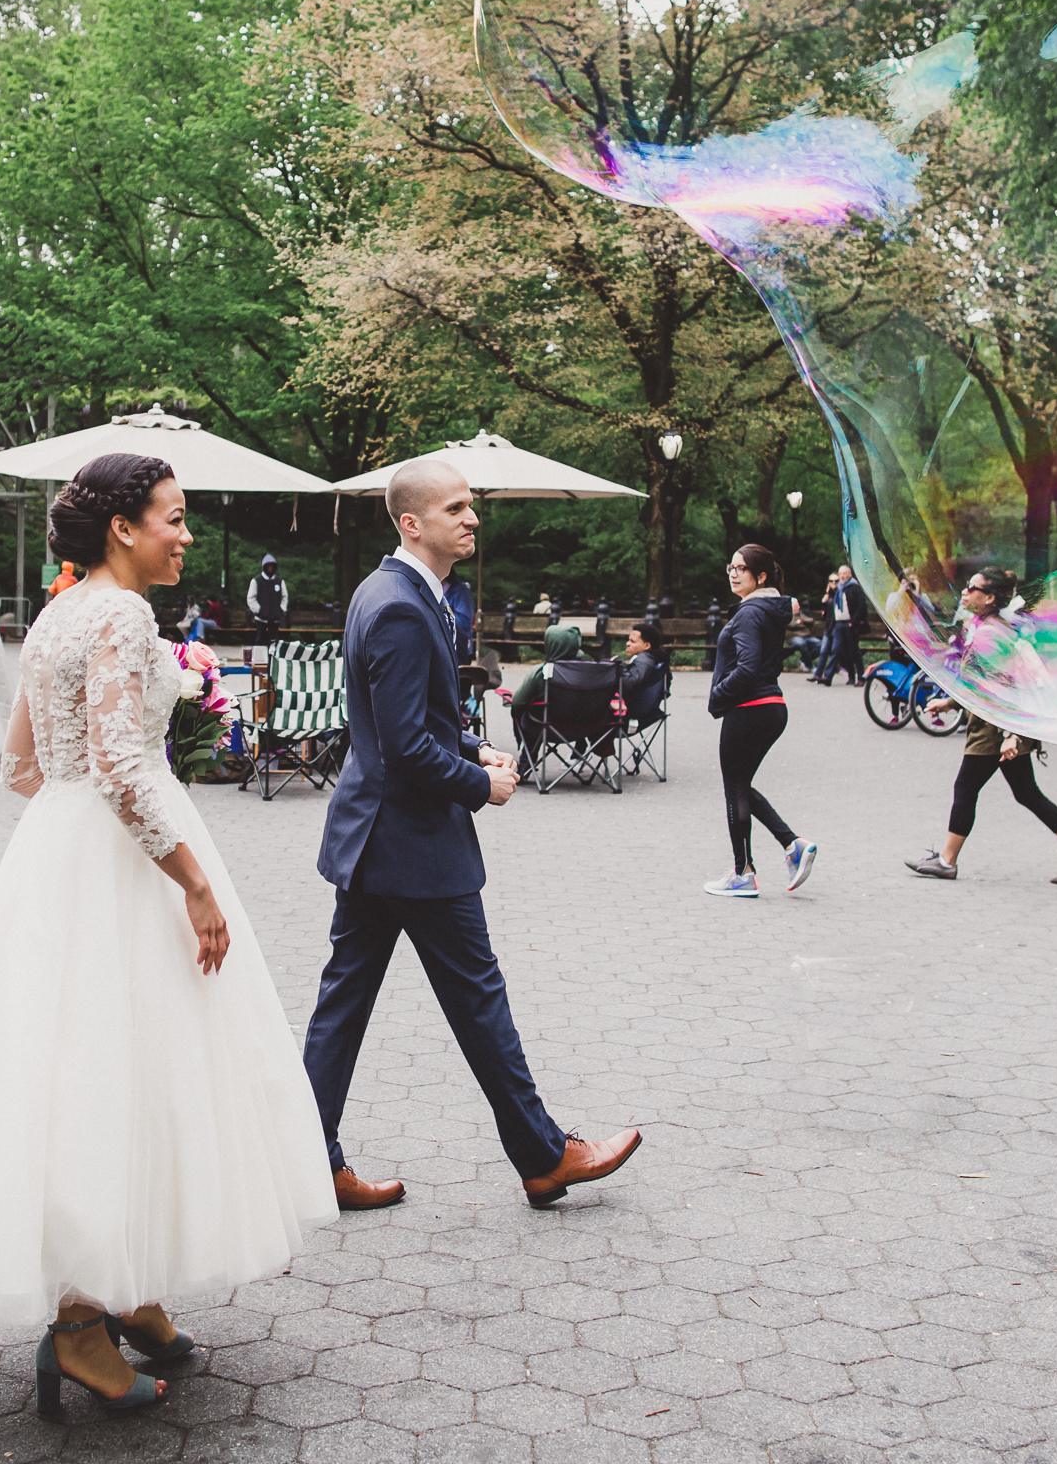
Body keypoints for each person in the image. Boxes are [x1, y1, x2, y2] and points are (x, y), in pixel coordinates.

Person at [0, 454, 334, 1417]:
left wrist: (66, 837)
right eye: (175, 518)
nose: (186, 535)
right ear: (124, 527)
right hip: (125, 852)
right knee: (117, 1066)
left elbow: (23, 768)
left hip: (63, 851)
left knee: (89, 1066)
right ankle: (78, 1326)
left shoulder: (59, 611)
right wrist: (192, 882)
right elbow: (120, 766)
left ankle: (127, 1287)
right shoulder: (117, 614)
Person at [304, 457, 641, 1213]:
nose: (473, 519)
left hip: (375, 840)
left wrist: (470, 747)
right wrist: (477, 784)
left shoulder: (396, 592)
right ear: (412, 523)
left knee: (344, 1004)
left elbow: (414, 725)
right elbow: (399, 749)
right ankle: (545, 1156)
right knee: (477, 999)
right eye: (456, 508)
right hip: (411, 844)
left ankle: (308, 1159)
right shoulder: (397, 604)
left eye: (472, 507)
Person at [905, 569, 1057, 885]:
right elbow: (981, 682)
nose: (965, 592)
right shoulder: (986, 627)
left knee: (966, 788)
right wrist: (950, 704)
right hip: (1000, 726)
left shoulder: (989, 634)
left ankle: (947, 861)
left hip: (995, 730)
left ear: (990, 597)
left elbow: (1010, 685)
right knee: (1027, 793)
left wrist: (1011, 735)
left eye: (972, 587)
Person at [705, 543, 816, 898]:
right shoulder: (764, 608)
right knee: (741, 785)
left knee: (735, 787)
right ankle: (791, 845)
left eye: (742, 568)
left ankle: (743, 873)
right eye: (731, 567)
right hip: (770, 707)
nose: (734, 573)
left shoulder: (750, 613)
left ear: (761, 576)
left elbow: (749, 666)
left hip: (749, 708)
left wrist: (720, 694)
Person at [508, 624, 585, 769]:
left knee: (527, 712)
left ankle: (526, 761)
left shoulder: (541, 672)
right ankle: (579, 751)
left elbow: (518, 702)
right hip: (586, 728)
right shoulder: (592, 671)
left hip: (546, 727)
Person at [811, 566, 868, 687]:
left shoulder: (854, 588)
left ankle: (861, 677)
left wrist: (853, 621)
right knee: (835, 650)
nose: (842, 576)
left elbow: (862, 606)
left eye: (844, 573)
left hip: (850, 623)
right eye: (840, 574)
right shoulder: (839, 589)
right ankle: (828, 677)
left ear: (850, 574)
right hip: (838, 624)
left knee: (853, 652)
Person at [246, 554, 286, 649]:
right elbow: (251, 598)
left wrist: (281, 609)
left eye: (272, 566)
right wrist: (259, 610)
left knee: (274, 640)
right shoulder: (256, 581)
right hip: (261, 618)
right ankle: (259, 661)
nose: (270, 568)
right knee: (260, 640)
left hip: (275, 618)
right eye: (268, 566)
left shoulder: (279, 581)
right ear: (264, 567)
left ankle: (273, 660)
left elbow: (284, 597)